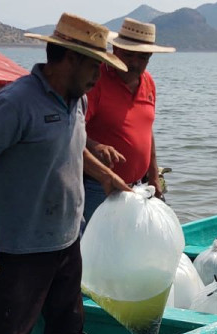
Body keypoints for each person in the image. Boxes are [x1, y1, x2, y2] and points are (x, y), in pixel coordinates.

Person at [0, 13, 129, 334]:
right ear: (69, 58)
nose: (99, 76)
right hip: (22, 247)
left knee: (69, 326)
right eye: (95, 66)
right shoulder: (16, 103)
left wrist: (105, 176)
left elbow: (74, 145)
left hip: (68, 239)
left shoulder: (78, 100)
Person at [83, 18, 176, 222]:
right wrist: (95, 145)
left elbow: (146, 131)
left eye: (142, 57)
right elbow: (71, 130)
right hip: (97, 185)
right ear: (114, 49)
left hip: (140, 185)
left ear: (149, 57)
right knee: (96, 247)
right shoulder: (95, 80)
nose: (134, 63)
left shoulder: (148, 82)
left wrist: (154, 177)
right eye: (128, 55)